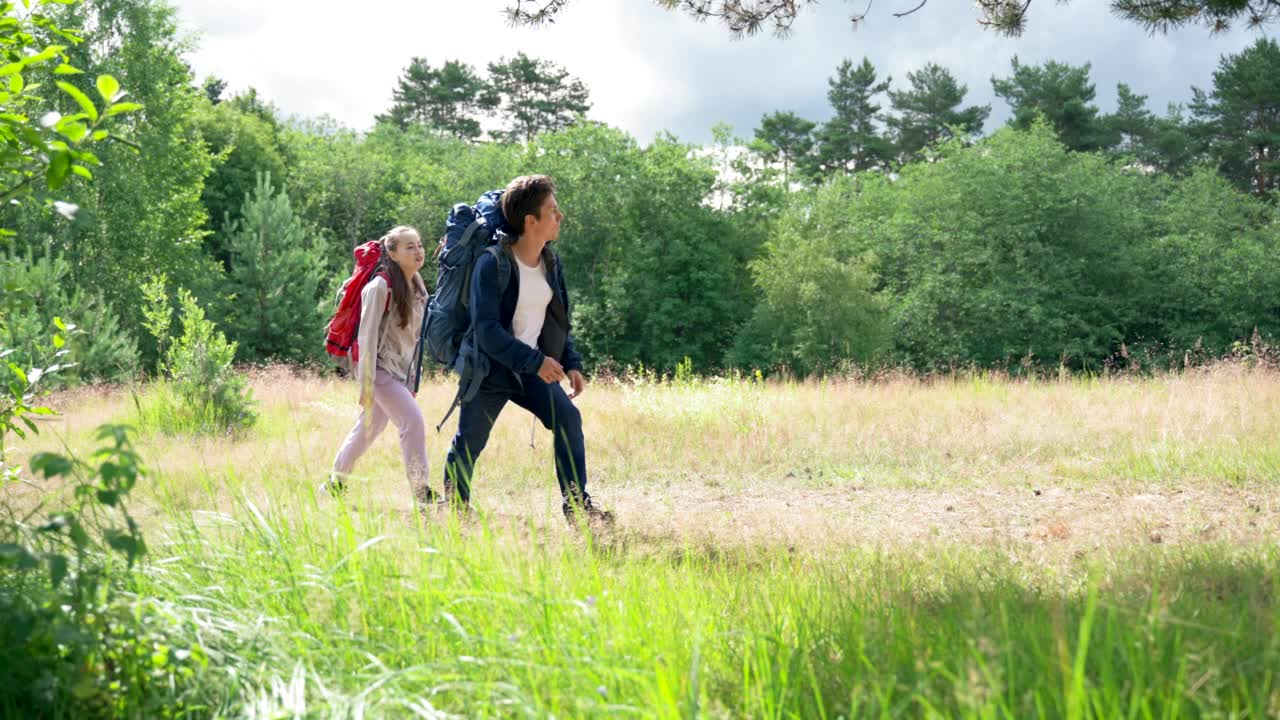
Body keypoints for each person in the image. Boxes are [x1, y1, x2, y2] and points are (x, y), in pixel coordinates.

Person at [441, 174, 612, 526]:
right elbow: (486, 331)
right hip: (490, 371)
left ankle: (578, 510)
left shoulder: (551, 262)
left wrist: (571, 361)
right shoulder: (492, 263)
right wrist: (535, 362)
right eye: (552, 210)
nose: (560, 216)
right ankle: (455, 510)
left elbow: (559, 317)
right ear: (530, 221)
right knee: (470, 442)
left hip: (531, 369)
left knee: (568, 419)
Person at [328, 225, 438, 507]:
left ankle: (334, 484)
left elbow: (414, 339)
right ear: (392, 253)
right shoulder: (379, 287)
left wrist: (410, 380)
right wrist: (365, 384)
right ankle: (421, 490)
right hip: (377, 369)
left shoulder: (417, 284)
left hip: (398, 371)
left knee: (368, 429)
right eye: (409, 247)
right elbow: (367, 337)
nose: (418, 251)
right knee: (412, 420)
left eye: (420, 245)